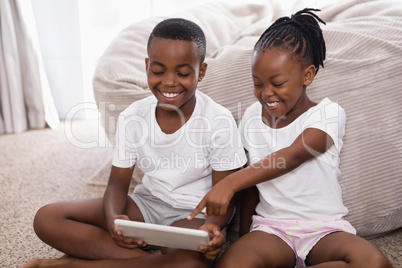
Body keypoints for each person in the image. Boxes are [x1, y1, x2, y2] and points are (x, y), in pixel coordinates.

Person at [22, 18, 246, 268]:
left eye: (182, 73)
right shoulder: (132, 117)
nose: (169, 82)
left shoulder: (219, 120)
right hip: (146, 203)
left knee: (189, 263)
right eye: (158, 71)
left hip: (195, 216)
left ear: (201, 72)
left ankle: (72, 265)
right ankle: (156, 262)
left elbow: (225, 199)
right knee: (47, 218)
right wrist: (113, 221)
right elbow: (117, 187)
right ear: (147, 66)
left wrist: (212, 228)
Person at [188, 8, 393, 268]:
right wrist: (245, 241)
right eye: (257, 83)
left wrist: (230, 184)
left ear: (307, 75)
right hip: (271, 230)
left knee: (375, 264)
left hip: (323, 230)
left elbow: (294, 155)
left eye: (278, 83)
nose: (266, 93)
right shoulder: (251, 117)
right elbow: (253, 183)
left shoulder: (328, 113)